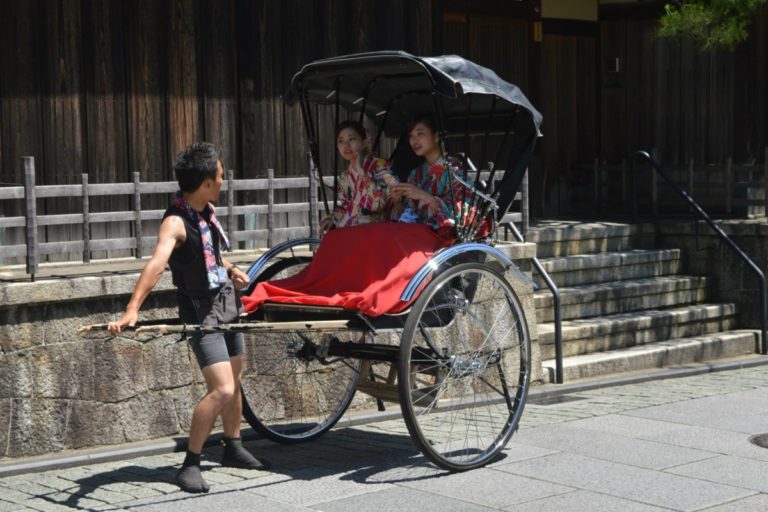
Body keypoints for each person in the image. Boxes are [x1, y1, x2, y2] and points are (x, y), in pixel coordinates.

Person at [107, 142, 270, 494]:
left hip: (226, 302)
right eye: (221, 176)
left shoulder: (205, 213)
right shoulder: (176, 222)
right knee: (222, 388)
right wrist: (133, 309)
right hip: (200, 311)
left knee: (235, 379)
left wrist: (233, 270)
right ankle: (190, 464)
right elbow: (155, 264)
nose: (224, 182)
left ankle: (234, 446)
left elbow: (211, 261)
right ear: (208, 182)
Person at [389, 114, 465, 238]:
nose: (414, 140)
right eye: (411, 136)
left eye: (420, 134)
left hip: (442, 238)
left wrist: (424, 195)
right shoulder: (415, 173)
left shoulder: (455, 170)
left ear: (436, 137)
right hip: (416, 234)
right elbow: (409, 215)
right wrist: (397, 202)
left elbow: (459, 213)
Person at [319, 120, 397, 236]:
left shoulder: (380, 165)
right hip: (350, 232)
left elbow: (378, 204)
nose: (346, 145)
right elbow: (346, 206)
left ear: (364, 142)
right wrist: (331, 218)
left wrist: (362, 173)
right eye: (341, 141)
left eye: (351, 139)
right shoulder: (344, 177)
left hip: (377, 232)